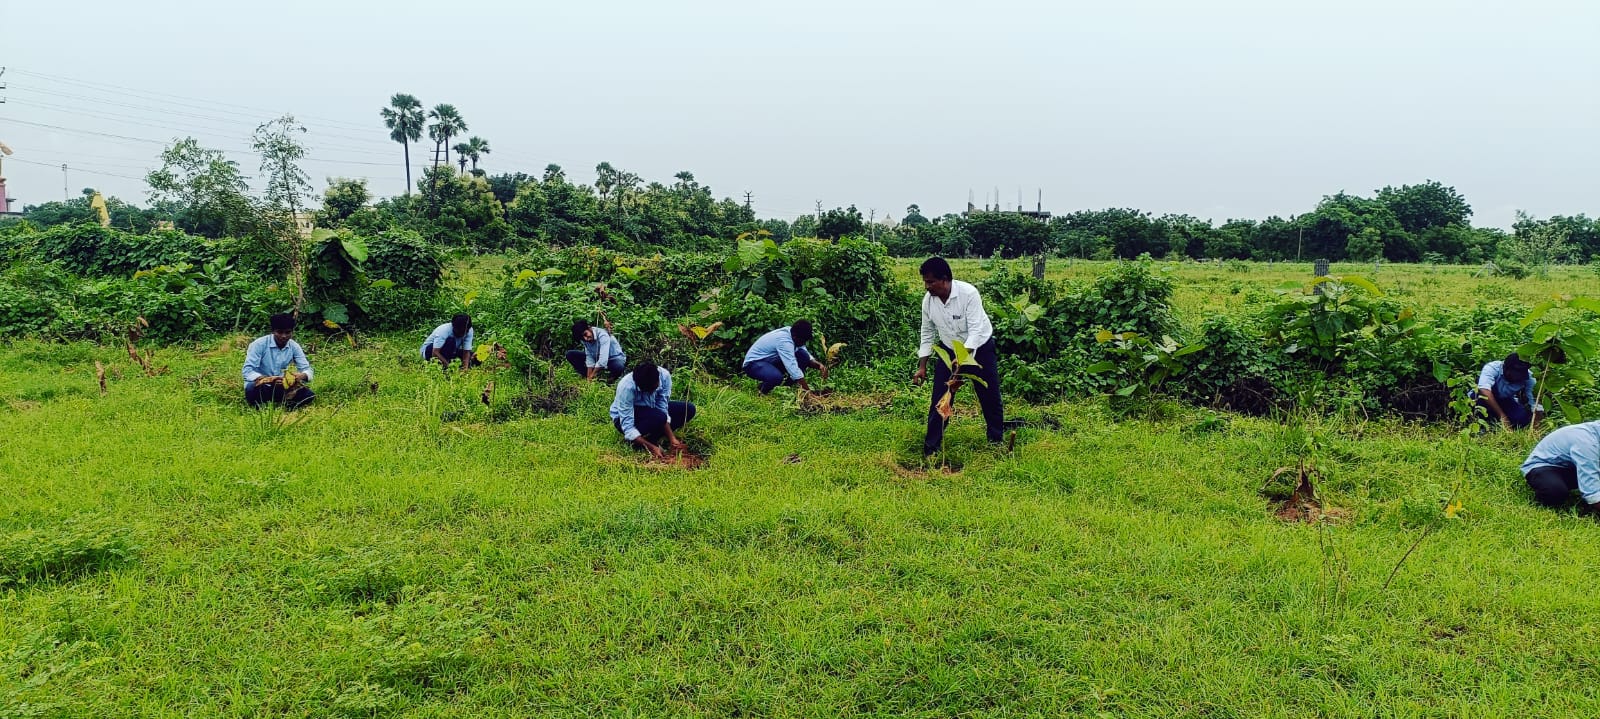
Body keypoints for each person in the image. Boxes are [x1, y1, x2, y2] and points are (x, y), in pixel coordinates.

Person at [911, 256, 1004, 457]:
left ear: (944, 279)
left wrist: (963, 358)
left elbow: (976, 330)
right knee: (941, 398)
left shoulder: (968, 293)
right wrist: (922, 366)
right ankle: (931, 449)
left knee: (989, 395)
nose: (926, 286)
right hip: (949, 351)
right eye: (925, 282)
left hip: (979, 349)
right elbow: (927, 333)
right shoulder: (928, 302)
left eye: (930, 282)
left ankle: (996, 441)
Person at [610, 361, 697, 460]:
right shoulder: (626, 387)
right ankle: (639, 441)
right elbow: (628, 427)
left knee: (688, 409)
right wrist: (652, 448)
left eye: (653, 390)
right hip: (624, 418)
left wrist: (672, 439)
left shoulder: (664, 377)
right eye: (647, 391)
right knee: (658, 417)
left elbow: (662, 407)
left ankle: (651, 438)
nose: (651, 393)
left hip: (653, 413)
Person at [1522, 420, 1600, 511]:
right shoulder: (1587, 443)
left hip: (1570, 465)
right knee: (1555, 492)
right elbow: (1592, 494)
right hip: (1543, 466)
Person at [242, 313, 315, 409]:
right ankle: (261, 406)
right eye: (279, 332)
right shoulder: (259, 344)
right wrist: (269, 379)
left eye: (287, 332)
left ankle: (286, 405)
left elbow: (307, 369)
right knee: (251, 388)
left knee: (308, 394)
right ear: (273, 331)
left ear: (292, 332)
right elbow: (247, 370)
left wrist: (302, 376)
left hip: (281, 385)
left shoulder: (294, 346)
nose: (284, 336)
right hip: (263, 385)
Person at [742, 320, 828, 394]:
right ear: (795, 337)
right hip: (753, 364)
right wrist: (809, 393)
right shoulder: (784, 342)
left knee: (803, 356)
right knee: (775, 377)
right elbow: (792, 368)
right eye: (803, 341)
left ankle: (786, 388)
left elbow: (806, 355)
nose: (804, 344)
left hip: (769, 362)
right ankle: (762, 392)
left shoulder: (793, 333)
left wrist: (819, 365)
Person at [1476, 353, 1543, 430]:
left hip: (1506, 400)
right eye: (1517, 373)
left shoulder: (1529, 378)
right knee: (1478, 407)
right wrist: (1502, 417)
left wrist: (1536, 425)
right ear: (1506, 369)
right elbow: (1484, 390)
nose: (1520, 376)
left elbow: (1536, 402)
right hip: (1483, 398)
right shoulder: (1492, 368)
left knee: (1521, 418)